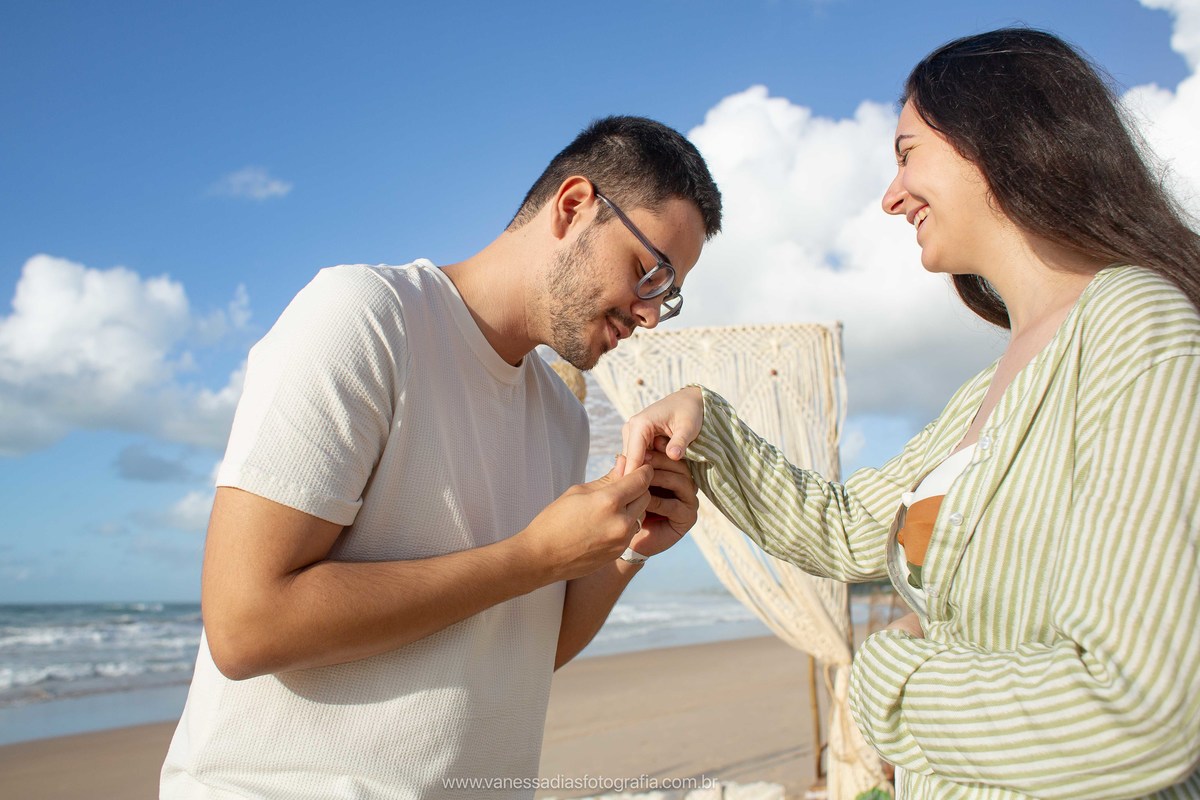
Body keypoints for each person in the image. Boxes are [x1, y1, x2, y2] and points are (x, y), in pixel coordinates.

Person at [622, 29, 1200, 799]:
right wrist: (708, 423)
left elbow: (1137, 708)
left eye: (906, 154)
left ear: (1000, 137)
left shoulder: (1136, 323)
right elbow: (844, 528)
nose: (890, 197)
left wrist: (888, 679)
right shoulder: (986, 389)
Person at [160, 115, 723, 799]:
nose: (651, 314)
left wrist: (626, 550)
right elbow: (246, 625)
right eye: (648, 272)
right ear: (574, 206)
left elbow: (517, 654)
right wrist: (535, 556)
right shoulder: (366, 318)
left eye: (668, 294)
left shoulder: (562, 417)